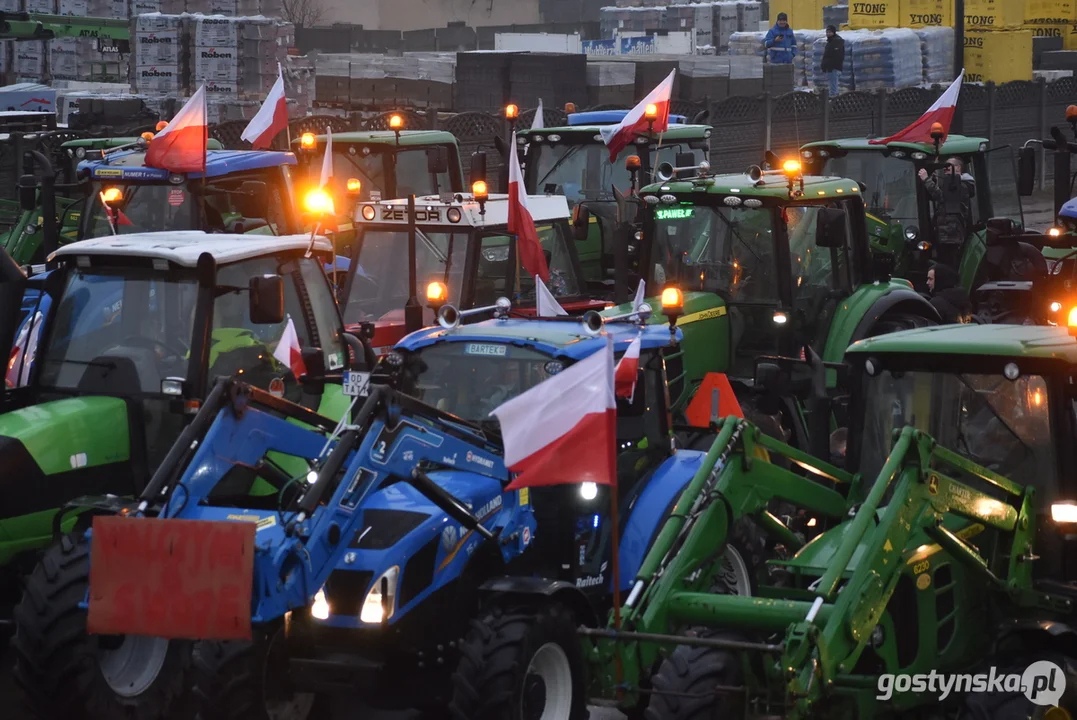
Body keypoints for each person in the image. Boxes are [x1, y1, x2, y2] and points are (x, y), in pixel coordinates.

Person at [918, 157, 975, 268]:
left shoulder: (963, 185)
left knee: (950, 264)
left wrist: (926, 179)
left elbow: (941, 196)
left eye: (948, 166)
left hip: (952, 234)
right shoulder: (951, 184)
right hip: (944, 232)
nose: (945, 168)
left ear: (958, 168)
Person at [821, 25, 845, 96]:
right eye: (827, 32)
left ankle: (833, 103)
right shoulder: (831, 41)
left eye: (830, 32)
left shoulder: (836, 42)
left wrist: (828, 65)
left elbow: (836, 56)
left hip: (833, 68)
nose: (828, 33)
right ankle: (835, 101)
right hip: (831, 68)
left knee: (833, 88)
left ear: (834, 32)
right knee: (834, 86)